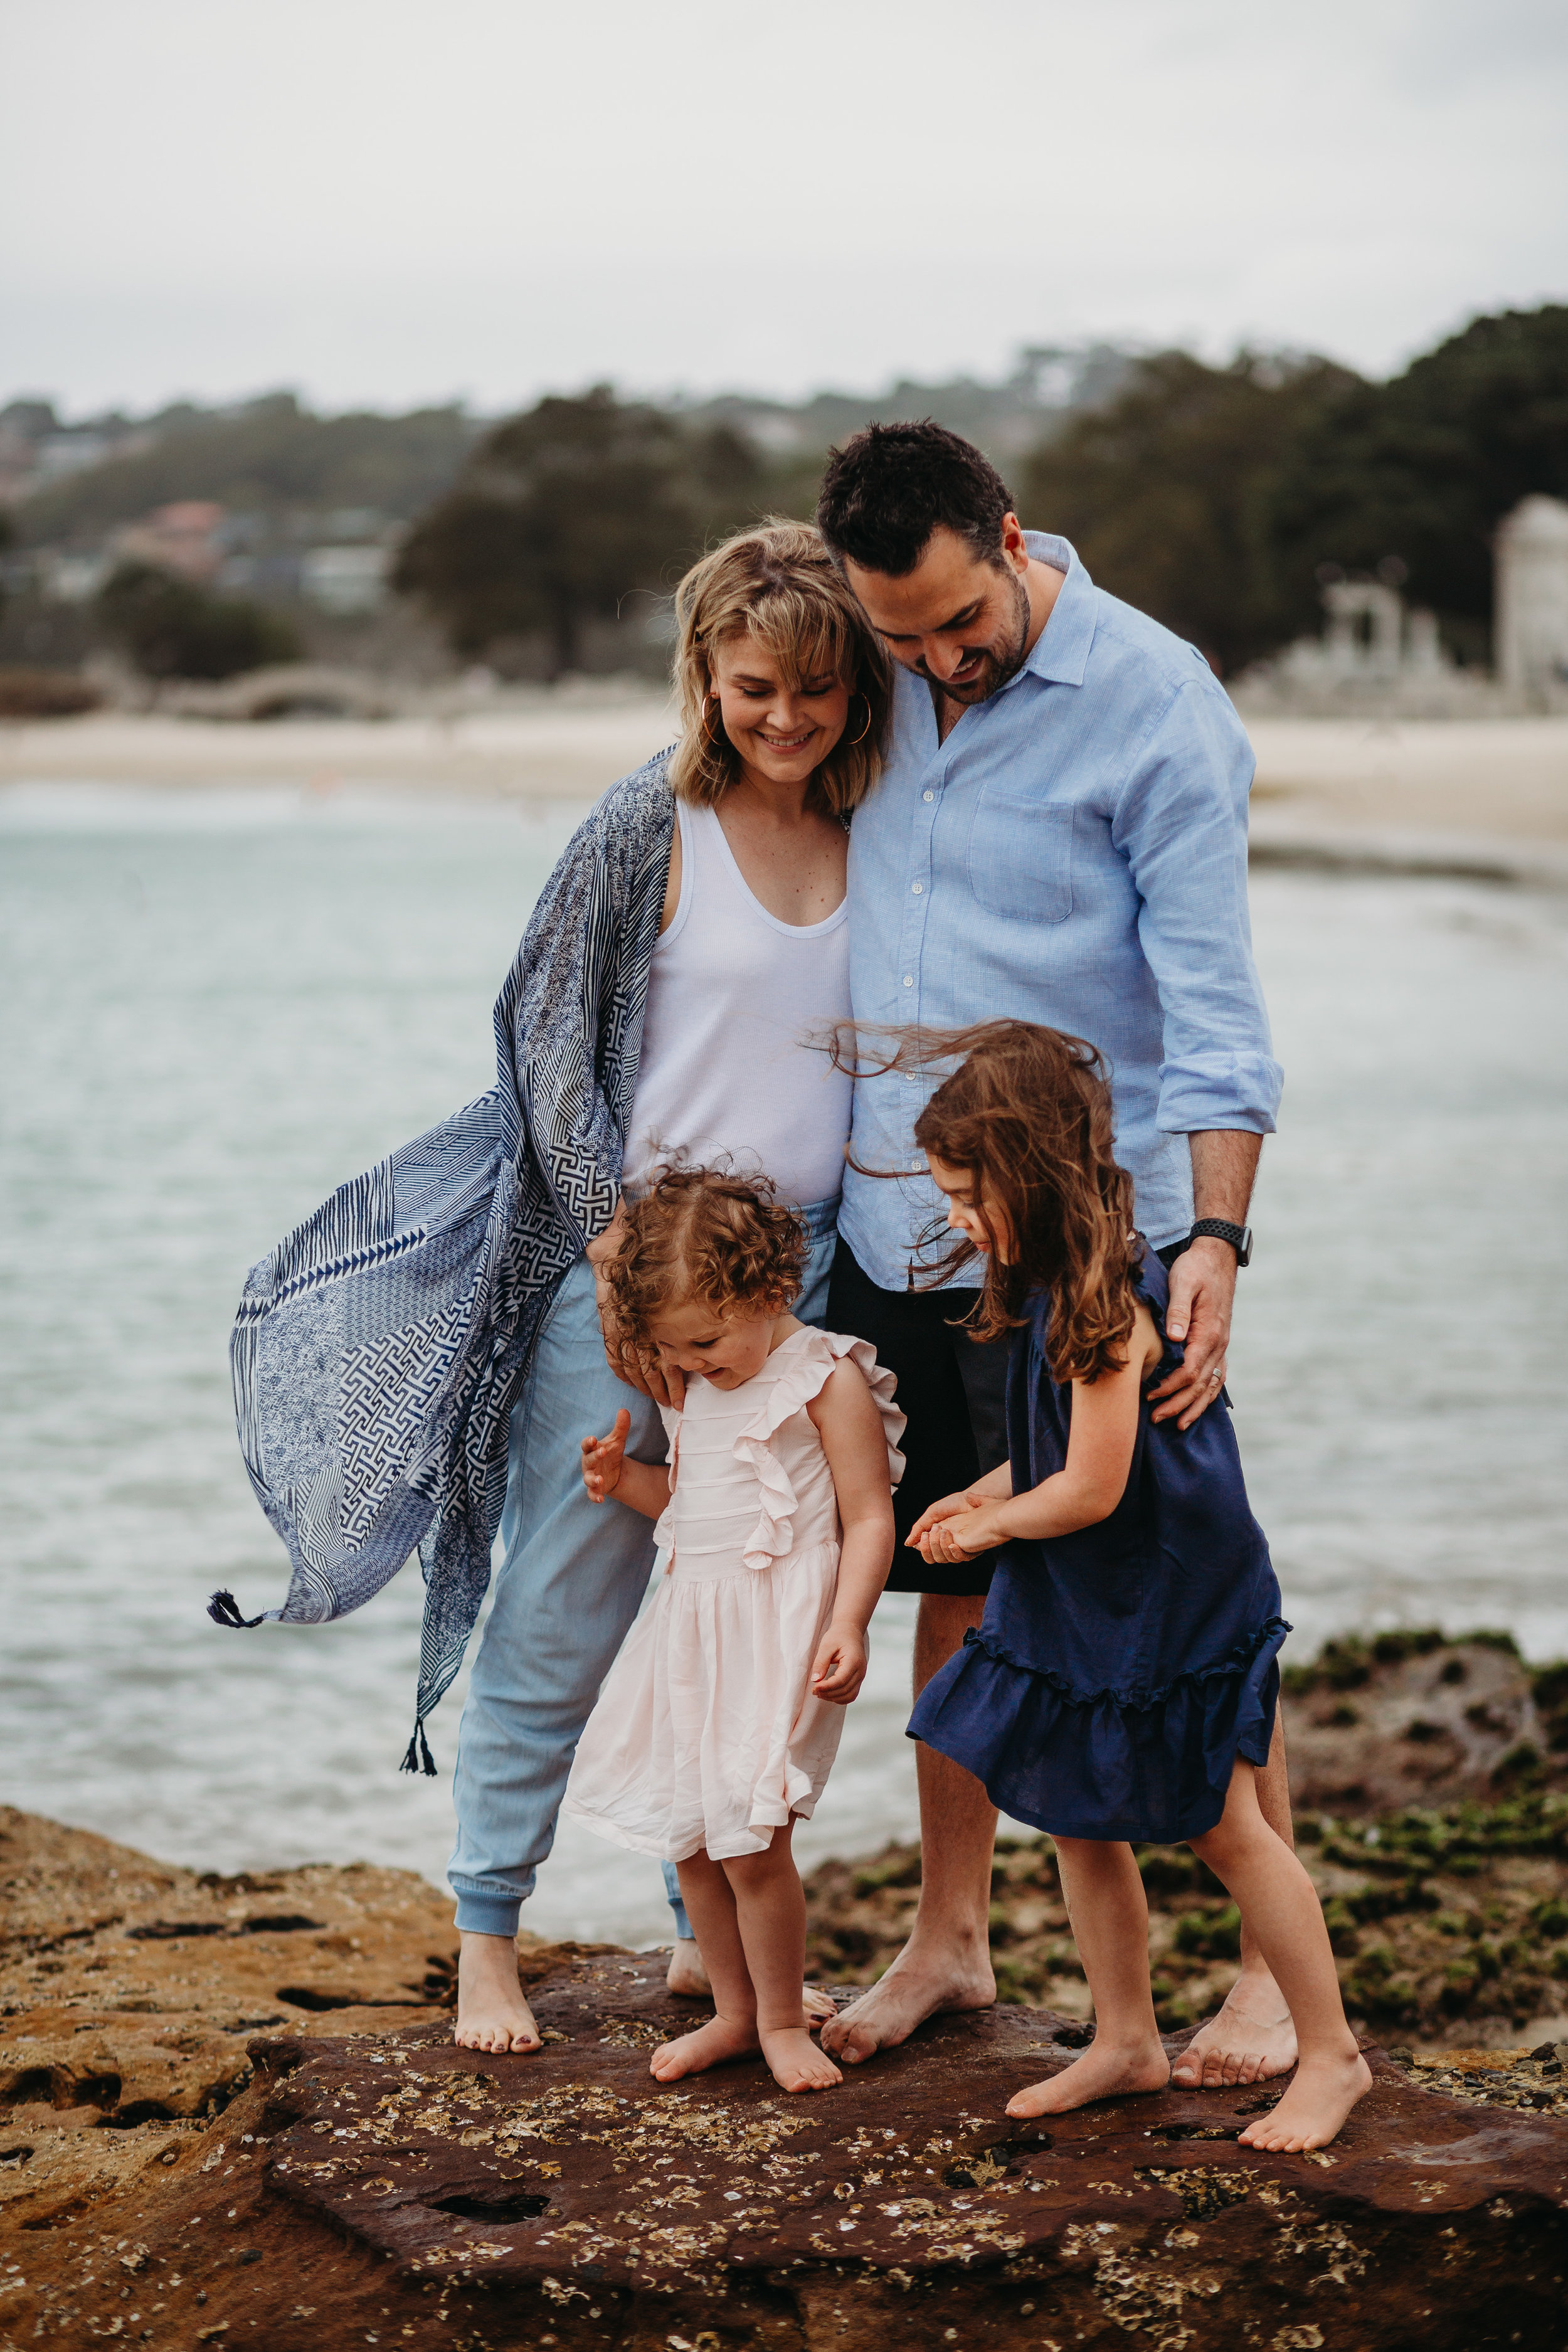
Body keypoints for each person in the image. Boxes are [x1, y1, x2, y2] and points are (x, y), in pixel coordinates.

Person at [218, 522, 891, 2058]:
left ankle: (696, 1934)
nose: (783, 717)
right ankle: (487, 1937)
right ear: (703, 681)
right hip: (637, 1279)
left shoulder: (883, 829)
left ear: (852, 688)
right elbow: (537, 1038)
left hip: (803, 1286)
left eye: (814, 688)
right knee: (566, 1601)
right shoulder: (640, 828)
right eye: (751, 688)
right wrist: (605, 1235)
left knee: (743, 1599)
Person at [813, 423, 1293, 2087]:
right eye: (902, 641)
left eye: (960, 624)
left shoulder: (1156, 702)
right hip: (905, 1211)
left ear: (1009, 539)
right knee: (957, 1578)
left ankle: (1265, 1980)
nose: (938, 662)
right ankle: (949, 1940)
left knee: (1186, 1580)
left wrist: (1216, 1234)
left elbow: (1219, 1013)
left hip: (1106, 1231)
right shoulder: (868, 670)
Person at [901, 1023, 1369, 2152]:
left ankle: (1333, 2054)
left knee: (1229, 1826)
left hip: (1165, 1588)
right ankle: (1125, 2039)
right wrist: (980, 1493)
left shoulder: (1106, 1301)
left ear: (1027, 1172)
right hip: (1092, 1585)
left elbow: (1096, 1488)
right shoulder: (1057, 1287)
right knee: (1071, 1809)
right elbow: (1059, 1451)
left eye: (968, 1194)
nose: (957, 1218)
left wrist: (992, 1530)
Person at [563, 1167, 902, 2094]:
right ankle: (735, 2012)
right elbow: (690, 1505)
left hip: (779, 1632)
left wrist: (852, 1622)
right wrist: (618, 1481)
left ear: (770, 1290)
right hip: (691, 1632)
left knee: (752, 1840)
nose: (700, 1365)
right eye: (682, 1350)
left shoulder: (824, 1378)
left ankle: (786, 2017)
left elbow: (870, 1515)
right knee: (695, 1836)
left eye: (708, 1342)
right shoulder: (702, 1384)